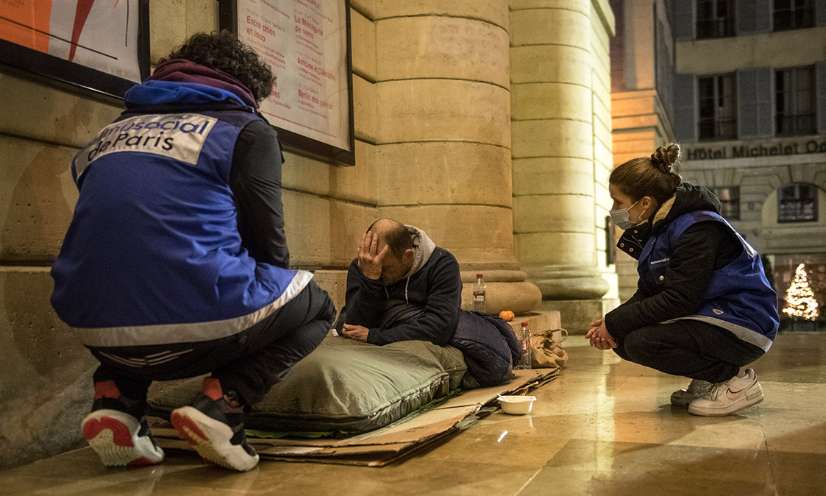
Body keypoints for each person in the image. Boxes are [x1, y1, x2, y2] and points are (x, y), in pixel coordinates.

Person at [51, 31, 335, 472]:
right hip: (194, 328)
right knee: (317, 306)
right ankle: (224, 404)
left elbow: (122, 235)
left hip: (92, 326)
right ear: (247, 88)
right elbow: (268, 243)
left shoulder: (106, 135)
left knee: (137, 278)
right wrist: (269, 319)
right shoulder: (244, 129)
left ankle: (117, 398)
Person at [587, 143, 779, 417]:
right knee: (623, 337)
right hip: (717, 317)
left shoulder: (697, 228)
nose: (613, 209)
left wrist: (615, 322)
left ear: (645, 203)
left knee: (642, 342)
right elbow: (650, 292)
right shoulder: (664, 228)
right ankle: (709, 379)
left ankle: (733, 382)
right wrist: (610, 324)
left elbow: (680, 299)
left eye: (618, 201)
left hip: (744, 324)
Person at [336, 219, 521, 387]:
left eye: (385, 268)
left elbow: (439, 327)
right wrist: (370, 280)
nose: (378, 271)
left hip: (423, 339)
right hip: (396, 340)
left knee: (472, 339)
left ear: (408, 256)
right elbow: (352, 326)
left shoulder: (442, 264)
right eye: (373, 266)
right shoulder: (366, 266)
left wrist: (375, 335)